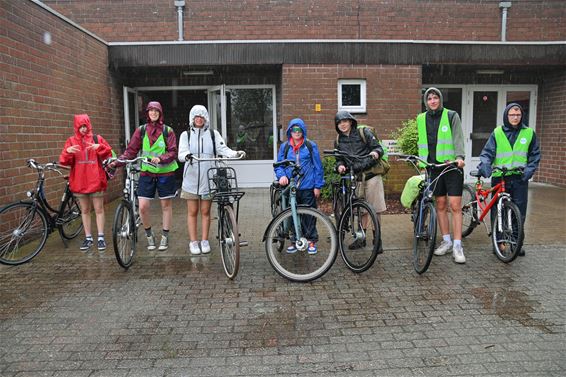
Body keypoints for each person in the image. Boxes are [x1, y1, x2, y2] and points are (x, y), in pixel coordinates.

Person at [178, 105, 246, 255]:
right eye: (196, 116)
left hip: (208, 179)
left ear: (206, 118)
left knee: (205, 211)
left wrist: (235, 153)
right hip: (191, 180)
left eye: (202, 116)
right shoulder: (186, 135)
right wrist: (187, 155)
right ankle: (193, 242)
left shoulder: (213, 134)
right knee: (193, 211)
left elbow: (223, 149)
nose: (199, 119)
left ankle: (204, 240)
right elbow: (181, 153)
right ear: (192, 118)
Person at [111, 101, 178, 251]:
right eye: (151, 110)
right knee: (142, 207)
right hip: (147, 173)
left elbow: (173, 152)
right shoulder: (141, 131)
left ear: (160, 113)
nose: (153, 113)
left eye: (156, 111)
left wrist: (161, 158)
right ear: (147, 113)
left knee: (165, 206)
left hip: (165, 173)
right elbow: (131, 151)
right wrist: (117, 162)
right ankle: (149, 235)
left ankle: (165, 236)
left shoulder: (168, 131)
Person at [477, 102, 541, 257]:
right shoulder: (497, 132)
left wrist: (529, 170)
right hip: (501, 177)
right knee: (498, 211)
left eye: (518, 115)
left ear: (522, 116)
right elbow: (487, 153)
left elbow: (534, 155)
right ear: (506, 115)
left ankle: (516, 242)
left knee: (519, 212)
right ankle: (498, 243)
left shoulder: (529, 133)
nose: (515, 118)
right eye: (512, 115)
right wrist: (485, 165)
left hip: (519, 178)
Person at [417, 87, 466, 263]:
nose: (432, 101)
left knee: (455, 205)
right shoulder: (421, 118)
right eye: (429, 98)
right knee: (440, 203)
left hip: (451, 166)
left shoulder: (451, 115)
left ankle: (458, 246)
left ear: (440, 100)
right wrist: (420, 162)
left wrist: (459, 157)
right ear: (426, 102)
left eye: (435, 97)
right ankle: (446, 241)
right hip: (432, 167)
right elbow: (421, 141)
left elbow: (458, 137)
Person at [59, 114, 113, 252]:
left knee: (99, 209)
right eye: (80, 126)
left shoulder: (97, 139)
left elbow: (110, 155)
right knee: (84, 210)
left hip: (96, 180)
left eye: (85, 126)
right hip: (80, 181)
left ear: (89, 125)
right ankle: (88, 237)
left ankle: (101, 237)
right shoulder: (71, 141)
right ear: (76, 127)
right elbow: (64, 162)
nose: (83, 129)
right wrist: (67, 152)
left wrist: (99, 147)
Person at [334, 110, 385, 253]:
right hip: (355, 178)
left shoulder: (364, 133)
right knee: (361, 210)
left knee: (375, 209)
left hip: (371, 175)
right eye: (339, 123)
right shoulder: (338, 140)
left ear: (350, 121)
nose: (342, 125)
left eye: (345, 121)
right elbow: (339, 158)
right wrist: (340, 166)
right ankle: (361, 238)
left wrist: (375, 153)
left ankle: (377, 240)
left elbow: (378, 148)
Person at [274, 118, 325, 254]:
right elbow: (279, 165)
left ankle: (311, 240)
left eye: (299, 130)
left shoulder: (310, 145)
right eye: (294, 130)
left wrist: (317, 186)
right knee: (292, 214)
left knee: (309, 215)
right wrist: (282, 176)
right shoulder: (285, 147)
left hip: (308, 186)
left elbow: (318, 167)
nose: (296, 132)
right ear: (289, 131)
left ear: (303, 131)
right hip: (291, 187)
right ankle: (295, 240)